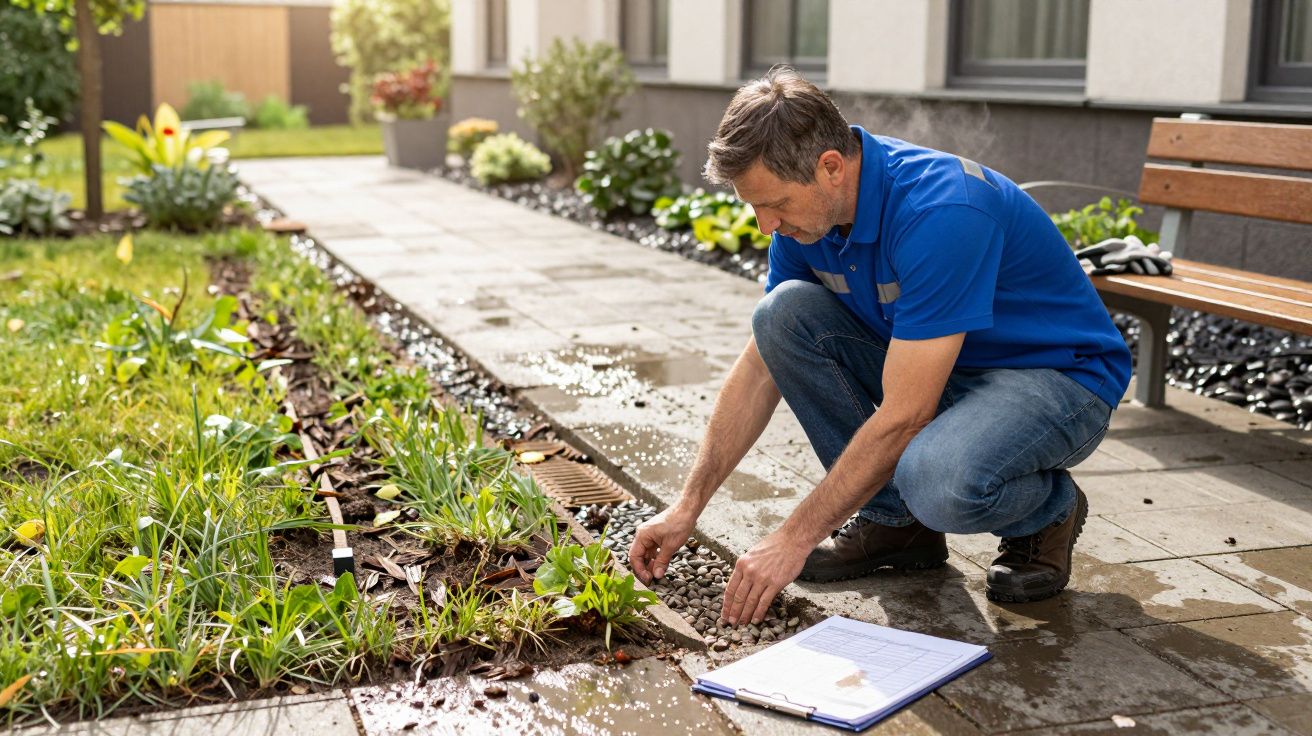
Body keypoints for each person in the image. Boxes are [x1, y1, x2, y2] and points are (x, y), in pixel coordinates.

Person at [627, 67, 1131, 627]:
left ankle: (1048, 513)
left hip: (1057, 379)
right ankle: (897, 527)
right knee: (781, 315)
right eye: (753, 207)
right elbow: (759, 368)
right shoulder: (808, 221)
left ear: (831, 168)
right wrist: (686, 507)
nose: (766, 224)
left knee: (934, 480)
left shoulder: (942, 212)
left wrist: (791, 540)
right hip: (945, 370)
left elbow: (906, 415)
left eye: (774, 204)